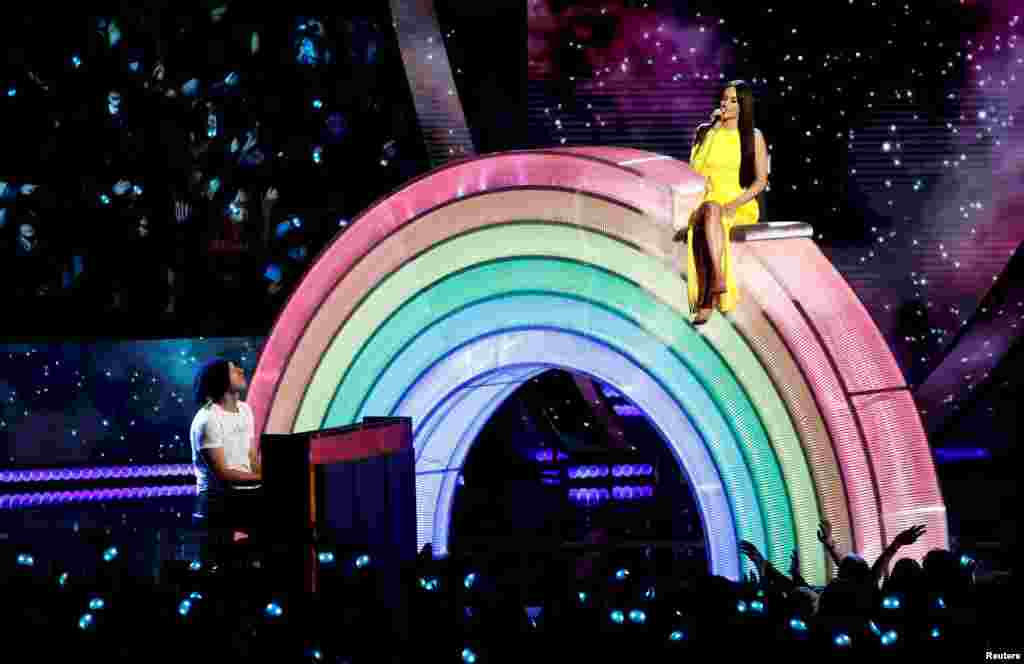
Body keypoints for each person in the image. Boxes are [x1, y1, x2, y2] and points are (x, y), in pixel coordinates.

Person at [674, 80, 770, 325]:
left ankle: (707, 300)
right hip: (706, 204)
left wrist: (735, 204)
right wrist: (714, 127)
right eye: (724, 98)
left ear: (743, 106)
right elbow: (694, 170)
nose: (726, 103)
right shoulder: (705, 132)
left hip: (738, 205)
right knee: (709, 210)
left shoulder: (753, 136)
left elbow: (760, 182)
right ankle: (719, 279)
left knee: (714, 213)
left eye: (733, 100)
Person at [189, 357, 264, 554]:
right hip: (216, 503)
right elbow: (224, 474)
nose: (240, 370)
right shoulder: (208, 419)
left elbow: (250, 457)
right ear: (220, 380)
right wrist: (266, 479)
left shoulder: (245, 410)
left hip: (244, 495)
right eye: (232, 370)